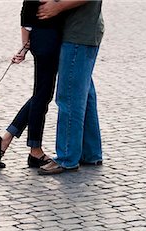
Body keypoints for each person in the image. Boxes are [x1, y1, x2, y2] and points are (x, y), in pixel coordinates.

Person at [0, 0, 63, 169]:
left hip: (48, 38)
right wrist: (23, 47)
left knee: (42, 95)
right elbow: (28, 12)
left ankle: (4, 141)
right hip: (46, 40)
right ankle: (35, 151)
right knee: (41, 96)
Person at [36, 0, 104, 175]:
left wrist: (57, 7)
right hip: (84, 32)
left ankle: (67, 158)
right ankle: (90, 152)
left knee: (69, 97)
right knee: (84, 95)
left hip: (78, 35)